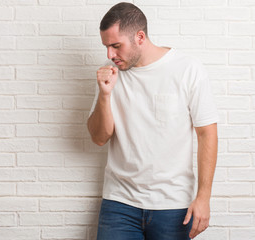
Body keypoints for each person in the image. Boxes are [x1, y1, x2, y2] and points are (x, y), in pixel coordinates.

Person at [87, 2, 219, 240]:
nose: (110, 55)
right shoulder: (110, 74)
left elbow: (206, 133)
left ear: (140, 37)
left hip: (173, 204)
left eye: (116, 46)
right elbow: (99, 138)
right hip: (119, 203)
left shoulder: (187, 69)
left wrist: (203, 197)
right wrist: (105, 95)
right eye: (106, 47)